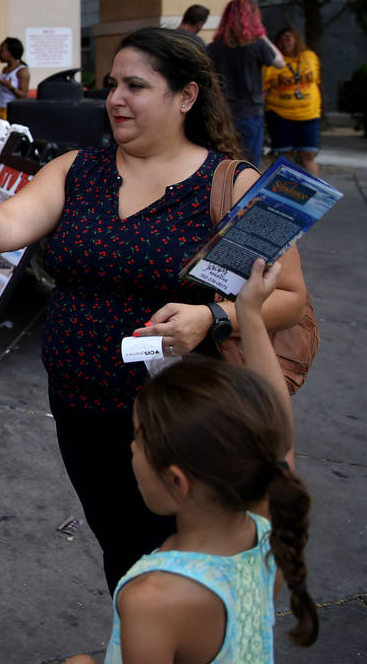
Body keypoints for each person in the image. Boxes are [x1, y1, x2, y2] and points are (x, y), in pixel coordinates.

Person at [0, 27, 308, 593]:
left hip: (178, 424)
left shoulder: (233, 185)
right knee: (121, 548)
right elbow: (3, 229)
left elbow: (288, 300)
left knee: (179, 564)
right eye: (112, 83)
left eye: (135, 85)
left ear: (185, 97)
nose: (115, 97)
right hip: (79, 409)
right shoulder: (77, 169)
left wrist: (212, 319)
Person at [63, 259, 318, 663]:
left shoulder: (152, 598)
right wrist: (249, 314)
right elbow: (277, 420)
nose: (131, 448)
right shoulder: (270, 527)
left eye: (140, 439)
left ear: (178, 481)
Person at [207, 0, 285, 166]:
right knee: (249, 167)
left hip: (221, 114)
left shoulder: (215, 48)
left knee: (223, 166)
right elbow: (280, 62)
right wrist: (262, 35)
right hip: (250, 112)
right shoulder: (257, 45)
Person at [264, 26, 322, 176]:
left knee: (308, 156)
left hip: (309, 115)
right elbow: (264, 89)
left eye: (288, 37)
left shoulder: (309, 57)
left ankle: (314, 196)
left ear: (296, 39)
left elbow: (316, 82)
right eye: (281, 39)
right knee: (285, 158)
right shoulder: (272, 62)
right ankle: (285, 196)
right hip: (280, 115)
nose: (285, 42)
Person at [0, 37, 30, 120]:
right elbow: (2, 91)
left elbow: (24, 96)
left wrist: (10, 87)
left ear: (10, 53)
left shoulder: (22, 71)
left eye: (1, 50)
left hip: (12, 111)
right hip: (0, 109)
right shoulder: (5, 69)